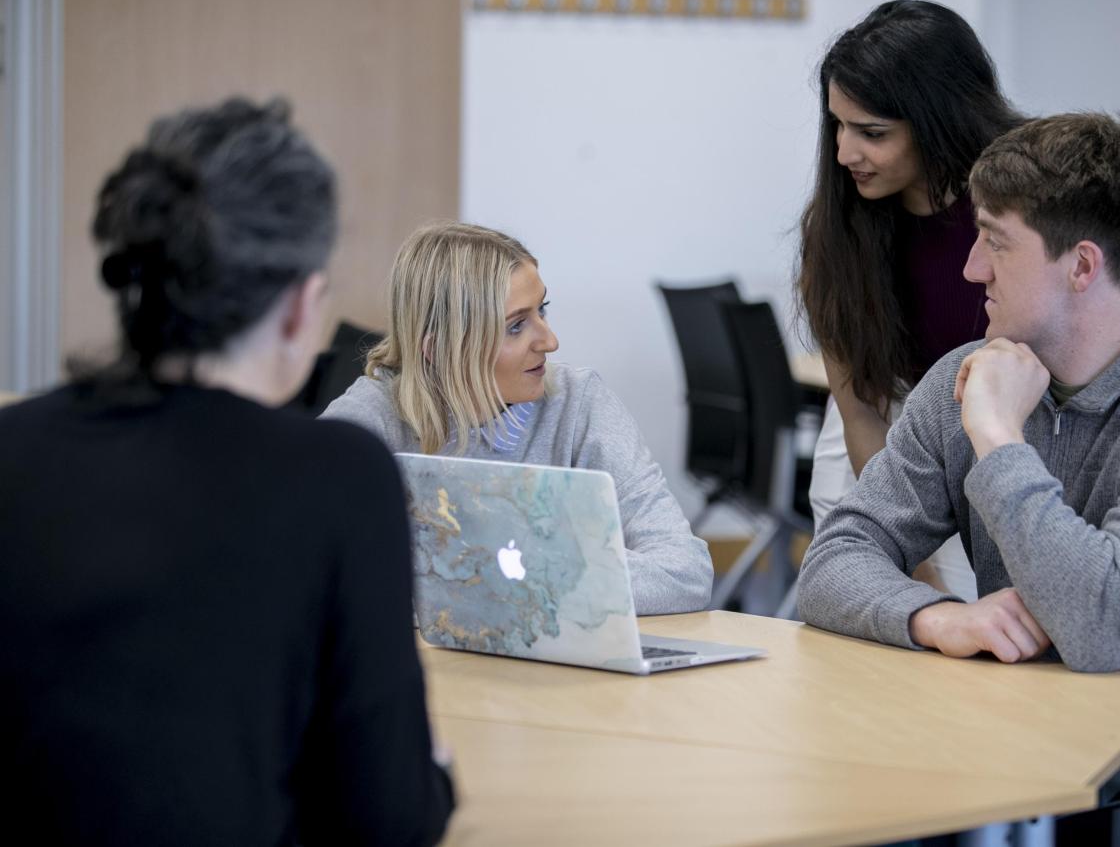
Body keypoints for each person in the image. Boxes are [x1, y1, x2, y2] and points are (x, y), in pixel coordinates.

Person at [797, 113, 1120, 844]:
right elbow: (832, 558)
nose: (972, 267)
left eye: (995, 241)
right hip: (1036, 731)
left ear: (1083, 266)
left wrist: (999, 440)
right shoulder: (964, 380)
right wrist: (937, 617)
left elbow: (1100, 625)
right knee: (856, 805)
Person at [0, 99, 454, 845]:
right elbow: (391, 819)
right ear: (301, 307)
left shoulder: (12, 446)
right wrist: (433, 770)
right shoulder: (338, 477)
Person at [797, 0, 1120, 600]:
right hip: (904, 417)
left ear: (935, 119)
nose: (845, 153)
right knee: (888, 593)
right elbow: (863, 417)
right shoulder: (840, 232)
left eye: (872, 133)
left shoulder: (1024, 186)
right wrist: (924, 590)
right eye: (837, 127)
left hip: (1002, 411)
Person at [321, 221, 712, 616]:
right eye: (516, 326)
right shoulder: (370, 421)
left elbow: (684, 572)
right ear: (439, 348)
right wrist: (543, 583)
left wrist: (503, 583)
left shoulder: (579, 404)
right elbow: (302, 567)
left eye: (542, 309)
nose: (549, 341)